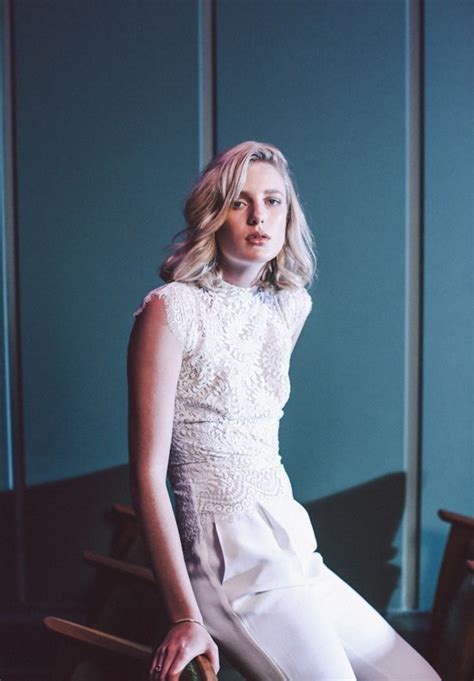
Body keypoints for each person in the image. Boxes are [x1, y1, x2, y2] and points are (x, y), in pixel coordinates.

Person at [128, 141, 440, 680]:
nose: (259, 217)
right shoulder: (169, 308)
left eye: (273, 201)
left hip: (294, 549)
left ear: (288, 214)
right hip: (230, 563)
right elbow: (147, 474)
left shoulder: (289, 307)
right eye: (240, 202)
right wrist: (183, 615)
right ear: (214, 214)